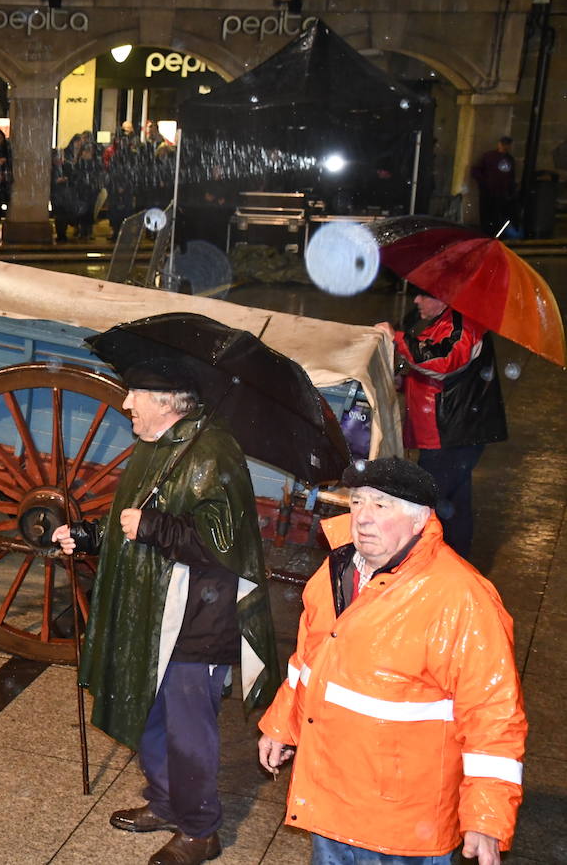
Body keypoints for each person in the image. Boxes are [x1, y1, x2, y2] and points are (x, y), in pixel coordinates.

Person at [51, 357, 280, 865]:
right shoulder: (157, 448)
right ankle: (167, 803)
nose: (126, 403)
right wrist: (90, 535)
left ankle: (201, 831)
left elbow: (228, 546)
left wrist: (157, 528)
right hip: (152, 612)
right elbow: (130, 524)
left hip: (199, 619)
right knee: (148, 713)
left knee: (188, 730)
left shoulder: (212, 454)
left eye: (135, 394)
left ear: (165, 402)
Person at [258, 457, 525, 865]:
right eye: (358, 502)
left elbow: (493, 715)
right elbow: (307, 664)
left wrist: (486, 817)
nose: (363, 517)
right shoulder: (335, 572)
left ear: (419, 521)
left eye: (382, 506)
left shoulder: (461, 598)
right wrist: (281, 726)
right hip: (330, 801)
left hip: (403, 827)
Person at [375, 292, 506, 560]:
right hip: (448, 434)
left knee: (423, 504)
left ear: (443, 297)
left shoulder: (463, 325)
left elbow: (443, 362)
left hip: (451, 435)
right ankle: (454, 561)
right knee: (452, 504)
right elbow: (430, 365)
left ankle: (420, 566)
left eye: (422, 295)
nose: (416, 301)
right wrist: (404, 377)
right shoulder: (443, 324)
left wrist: (396, 338)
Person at [471, 136, 516, 236]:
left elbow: (511, 177)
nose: (505, 147)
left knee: (498, 216)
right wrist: (485, 183)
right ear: (499, 144)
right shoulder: (489, 156)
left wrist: (510, 191)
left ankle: (495, 234)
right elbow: (476, 170)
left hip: (501, 193)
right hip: (488, 192)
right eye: (504, 144)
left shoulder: (510, 160)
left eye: (507, 144)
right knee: (487, 214)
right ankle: (485, 234)